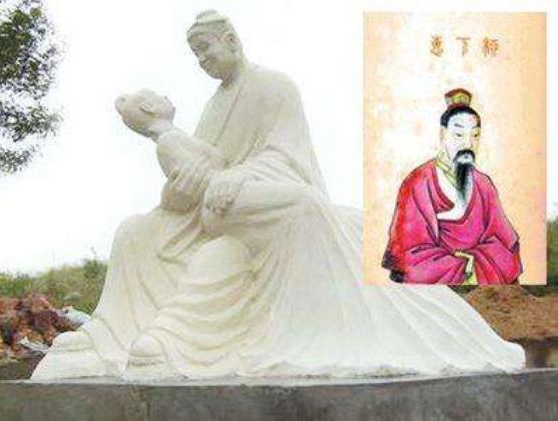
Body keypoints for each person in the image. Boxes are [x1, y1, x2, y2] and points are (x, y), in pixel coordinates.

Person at [30, 11, 524, 380]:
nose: (203, 61)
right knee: (134, 232)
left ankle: (180, 337)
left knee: (285, 217)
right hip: (211, 209)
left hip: (257, 199)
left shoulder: (274, 87)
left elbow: (286, 157)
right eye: (196, 55)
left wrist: (237, 177)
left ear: (231, 40)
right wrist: (177, 182)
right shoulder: (212, 107)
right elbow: (201, 166)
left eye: (207, 49)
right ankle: (111, 334)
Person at [382, 88, 522, 285]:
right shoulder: (418, 182)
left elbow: (505, 242)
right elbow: (408, 252)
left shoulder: (484, 184)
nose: (468, 144)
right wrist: (462, 266)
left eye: (475, 135)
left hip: (477, 273)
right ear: (443, 134)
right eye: (459, 134)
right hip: (436, 274)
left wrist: (474, 263)